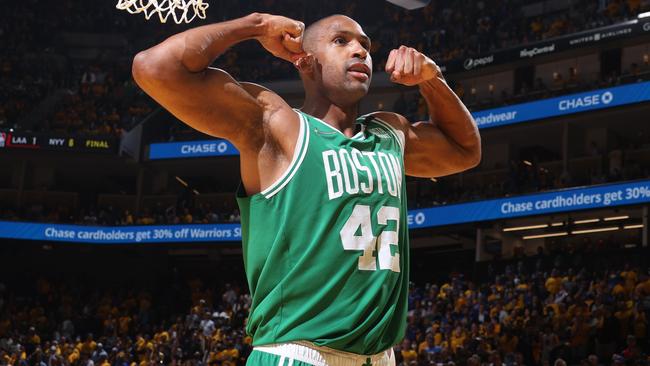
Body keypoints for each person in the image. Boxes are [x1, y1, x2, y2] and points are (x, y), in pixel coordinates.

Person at [132, 12, 480, 366]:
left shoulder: (390, 133)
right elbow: (154, 67)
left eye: (365, 45)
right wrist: (255, 26)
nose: (360, 50)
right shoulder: (276, 125)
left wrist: (432, 80)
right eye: (341, 41)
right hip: (300, 354)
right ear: (305, 61)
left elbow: (466, 150)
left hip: (380, 358)